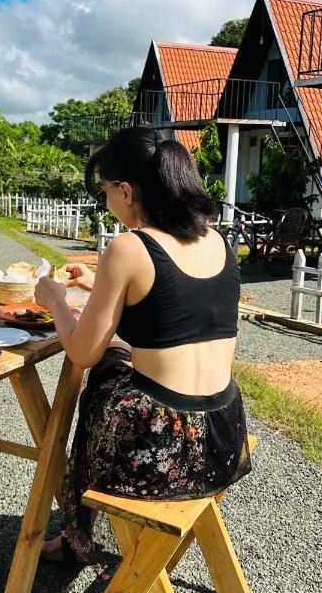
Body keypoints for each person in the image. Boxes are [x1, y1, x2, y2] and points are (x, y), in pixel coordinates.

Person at [35, 127, 251, 566]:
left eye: (104, 192)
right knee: (120, 363)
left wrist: (55, 299)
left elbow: (82, 351)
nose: (106, 202)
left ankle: (78, 534)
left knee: (105, 372)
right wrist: (100, 286)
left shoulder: (130, 247)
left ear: (127, 190)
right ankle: (77, 531)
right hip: (224, 436)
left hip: (168, 450)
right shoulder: (217, 242)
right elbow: (175, 308)